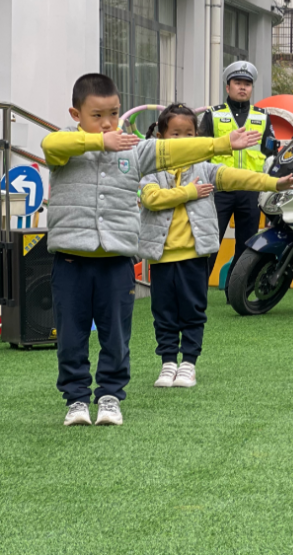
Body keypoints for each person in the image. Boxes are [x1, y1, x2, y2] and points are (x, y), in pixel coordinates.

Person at [42, 74, 261, 427]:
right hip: (70, 262)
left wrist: (221, 144)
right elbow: (51, 143)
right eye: (96, 115)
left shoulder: (134, 150)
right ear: (76, 113)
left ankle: (110, 397)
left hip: (116, 263)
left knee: (116, 335)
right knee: (71, 335)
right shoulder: (65, 148)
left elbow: (173, 149)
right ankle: (77, 400)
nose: (108, 123)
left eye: (113, 113)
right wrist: (94, 142)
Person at [138, 104, 293, 390]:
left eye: (189, 133)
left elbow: (241, 177)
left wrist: (274, 183)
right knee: (163, 312)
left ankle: (188, 363)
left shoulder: (205, 168)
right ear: (161, 137)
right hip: (161, 256)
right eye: (175, 133)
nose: (182, 139)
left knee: (193, 310)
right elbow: (152, 199)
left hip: (195, 255)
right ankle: (167, 363)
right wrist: (190, 192)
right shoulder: (151, 168)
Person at [198, 61, 277, 285]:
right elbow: (202, 151)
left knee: (246, 245)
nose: (242, 88)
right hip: (219, 189)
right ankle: (197, 290)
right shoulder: (212, 115)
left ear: (251, 88)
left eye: (247, 84)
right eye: (238, 83)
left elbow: (270, 151)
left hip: (250, 190)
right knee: (211, 242)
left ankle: (238, 292)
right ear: (228, 87)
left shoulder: (262, 117)